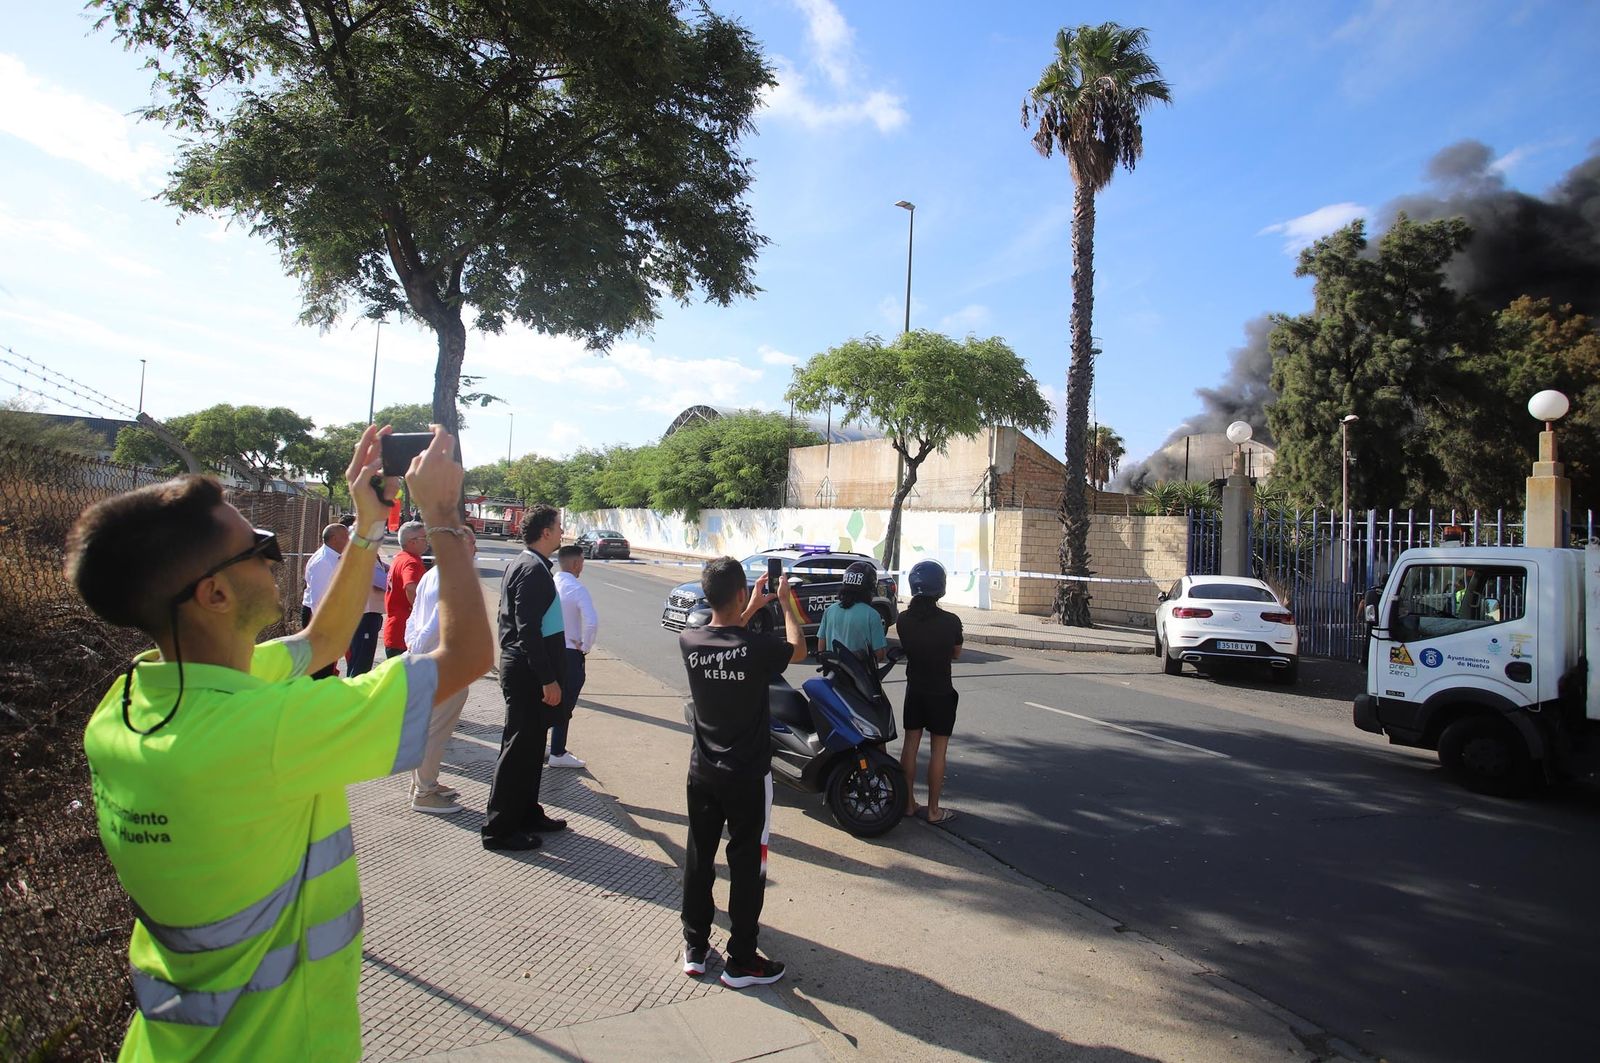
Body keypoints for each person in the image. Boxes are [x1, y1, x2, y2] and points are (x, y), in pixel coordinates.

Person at [68, 425, 492, 1061]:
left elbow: (322, 643)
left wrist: (367, 524)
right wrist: (443, 517)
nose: (276, 556)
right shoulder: (264, 731)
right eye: (259, 546)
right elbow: (465, 655)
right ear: (214, 593)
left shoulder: (131, 703)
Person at [678, 557, 805, 989]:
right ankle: (742, 961)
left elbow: (724, 632)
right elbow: (799, 650)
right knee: (747, 866)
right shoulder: (756, 649)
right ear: (738, 592)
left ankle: (694, 947)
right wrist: (785, 603)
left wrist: (747, 607)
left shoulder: (689, 639)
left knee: (700, 858)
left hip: (703, 773)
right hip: (747, 777)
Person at [482, 505, 569, 852]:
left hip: (530, 670)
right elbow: (527, 629)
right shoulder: (532, 569)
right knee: (518, 750)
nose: (563, 533)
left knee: (532, 748)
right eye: (559, 527)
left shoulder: (531, 564)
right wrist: (547, 678)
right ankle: (499, 829)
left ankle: (527, 812)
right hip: (528, 674)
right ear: (546, 533)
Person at [403, 525, 478, 813]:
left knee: (427, 728)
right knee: (436, 731)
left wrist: (414, 647)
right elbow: (437, 622)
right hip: (443, 665)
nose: (474, 549)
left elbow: (415, 618)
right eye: (471, 544)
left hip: (429, 660)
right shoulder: (454, 576)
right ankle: (424, 792)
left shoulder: (432, 574)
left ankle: (424, 783)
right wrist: (420, 650)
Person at [896, 560, 964, 826]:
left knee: (910, 745)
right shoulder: (950, 621)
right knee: (939, 751)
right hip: (941, 692)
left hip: (915, 690)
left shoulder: (903, 620)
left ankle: (908, 803)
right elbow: (956, 652)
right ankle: (934, 810)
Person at [550, 544, 598, 769]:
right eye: (582, 563)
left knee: (546, 700)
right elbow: (591, 622)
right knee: (565, 704)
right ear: (576, 563)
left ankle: (548, 748)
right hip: (570, 652)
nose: (582, 568)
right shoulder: (577, 589)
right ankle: (558, 752)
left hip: (548, 651)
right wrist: (585, 646)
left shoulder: (549, 584)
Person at [814, 560, 887, 662]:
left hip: (834, 672)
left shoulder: (830, 611)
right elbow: (879, 654)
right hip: (860, 675)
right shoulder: (872, 615)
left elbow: (821, 648)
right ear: (870, 588)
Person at [301, 523, 349, 678]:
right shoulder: (323, 562)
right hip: (319, 619)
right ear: (334, 539)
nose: (349, 539)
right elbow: (318, 600)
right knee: (320, 665)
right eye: (345, 536)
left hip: (327, 617)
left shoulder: (333, 557)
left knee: (327, 663)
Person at [382, 521, 427, 659]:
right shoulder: (411, 562)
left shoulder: (400, 558)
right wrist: (421, 614)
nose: (427, 541)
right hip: (404, 634)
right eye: (424, 538)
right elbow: (410, 587)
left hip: (396, 631)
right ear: (412, 541)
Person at [346, 554, 389, 677]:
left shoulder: (370, 555)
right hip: (365, 615)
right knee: (362, 660)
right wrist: (395, 574)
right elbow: (384, 581)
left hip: (367, 613)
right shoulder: (364, 557)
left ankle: (352, 688)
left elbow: (385, 569)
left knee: (358, 657)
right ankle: (354, 692)